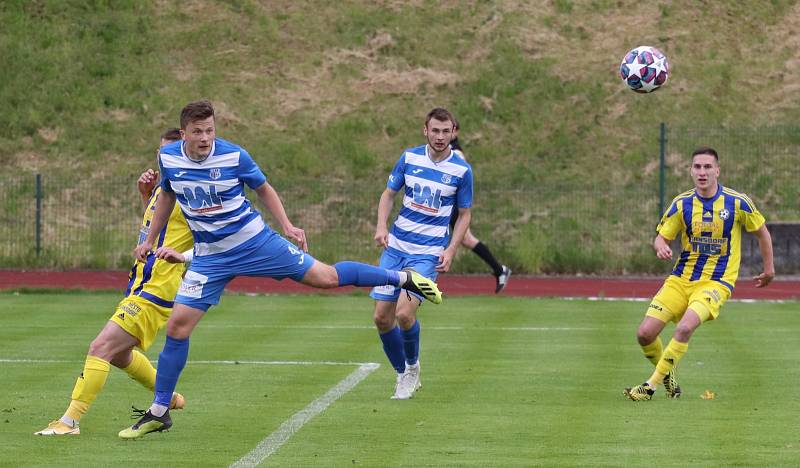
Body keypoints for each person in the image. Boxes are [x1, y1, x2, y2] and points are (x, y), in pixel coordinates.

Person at [119, 100, 442, 438]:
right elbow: (167, 195)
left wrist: (286, 226)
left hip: (255, 242)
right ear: (183, 133)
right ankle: (159, 411)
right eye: (198, 132)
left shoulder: (234, 156)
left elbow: (263, 188)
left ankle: (405, 278)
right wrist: (150, 240)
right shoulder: (168, 158)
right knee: (178, 328)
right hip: (210, 256)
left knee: (326, 277)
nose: (205, 138)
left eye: (210, 130)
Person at [35, 129, 193, 436]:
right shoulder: (164, 189)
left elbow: (210, 242)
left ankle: (69, 422)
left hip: (157, 289)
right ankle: (168, 398)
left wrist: (183, 258)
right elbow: (156, 230)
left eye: (173, 152)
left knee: (101, 346)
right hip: (139, 284)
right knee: (120, 354)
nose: (165, 158)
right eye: (162, 153)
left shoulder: (191, 193)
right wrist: (145, 196)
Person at [624, 146, 774, 401]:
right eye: (697, 167)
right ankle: (668, 374)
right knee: (644, 334)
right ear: (691, 171)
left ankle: (650, 387)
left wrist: (769, 268)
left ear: (717, 170)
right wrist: (660, 246)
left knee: (684, 329)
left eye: (707, 167)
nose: (702, 172)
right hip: (681, 279)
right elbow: (661, 237)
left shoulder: (737, 202)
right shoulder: (682, 203)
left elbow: (762, 233)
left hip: (716, 283)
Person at [371, 108, 473, 400]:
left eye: (446, 131)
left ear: (453, 132)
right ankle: (401, 373)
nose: (440, 137)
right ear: (425, 130)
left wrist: (451, 249)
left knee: (404, 313)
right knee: (381, 317)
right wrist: (381, 227)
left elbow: (465, 215)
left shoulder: (461, 171)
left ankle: (412, 368)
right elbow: (389, 194)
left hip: (427, 254)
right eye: (435, 131)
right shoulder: (409, 158)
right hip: (397, 248)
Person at [449, 119, 511, 293]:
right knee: (466, 240)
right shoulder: (444, 150)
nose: (445, 134)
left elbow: (461, 176)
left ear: (456, 132)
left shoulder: (456, 153)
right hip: (446, 203)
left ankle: (417, 280)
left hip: (452, 204)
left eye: (450, 130)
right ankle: (500, 270)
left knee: (460, 239)